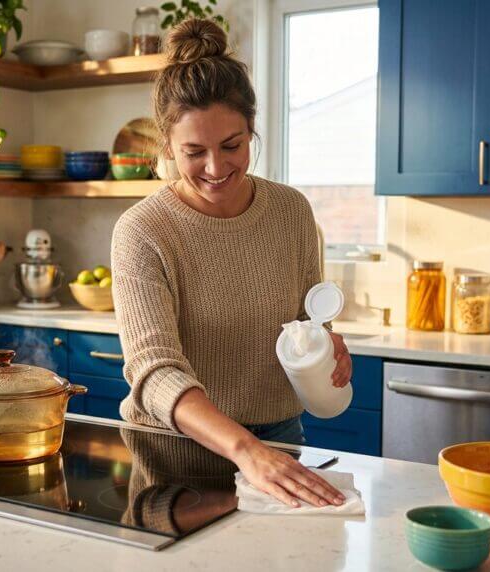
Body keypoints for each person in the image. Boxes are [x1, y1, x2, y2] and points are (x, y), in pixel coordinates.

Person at [110, 18, 354, 509]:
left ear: (251, 130)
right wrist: (246, 450)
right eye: (194, 152)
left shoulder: (291, 211)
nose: (217, 169)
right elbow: (154, 372)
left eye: (232, 146)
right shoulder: (143, 230)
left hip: (280, 438)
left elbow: (304, 320)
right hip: (175, 453)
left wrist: (325, 346)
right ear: (166, 147)